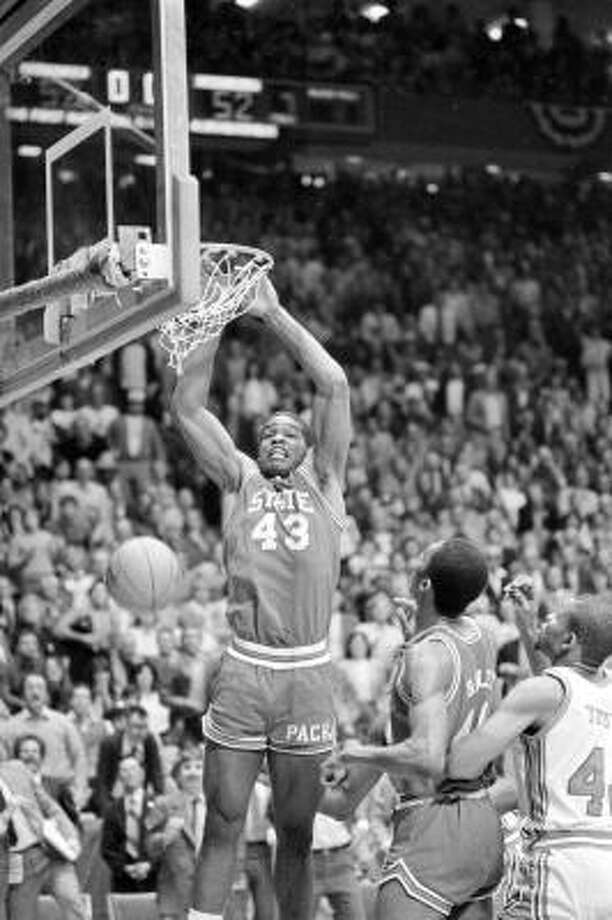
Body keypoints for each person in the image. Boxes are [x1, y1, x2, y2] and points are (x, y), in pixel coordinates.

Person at [172, 277, 351, 920]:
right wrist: (214, 316)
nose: (276, 437)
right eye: (267, 431)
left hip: (305, 672)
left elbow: (333, 384)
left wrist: (272, 315)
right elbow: (188, 409)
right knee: (222, 820)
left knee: (296, 834)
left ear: (309, 448)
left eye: (289, 432)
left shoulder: (326, 483)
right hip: (246, 667)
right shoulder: (239, 477)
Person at [321, 538, 504, 920]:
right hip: (481, 823)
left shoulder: (426, 657)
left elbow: (428, 757)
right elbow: (449, 696)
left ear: (423, 585)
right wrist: (416, 640)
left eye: (419, 561)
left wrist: (354, 751)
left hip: (433, 825)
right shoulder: (481, 636)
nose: (412, 564)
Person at [448, 594, 612, 920]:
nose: (545, 618)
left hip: (557, 863)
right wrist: (527, 628)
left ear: (569, 640)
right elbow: (564, 695)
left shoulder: (539, 693)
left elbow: (460, 764)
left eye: (552, 618)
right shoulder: (602, 691)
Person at [0, 751, 85, 920]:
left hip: (46, 850)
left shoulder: (16, 769)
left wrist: (70, 836)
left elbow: (50, 806)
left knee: (72, 903)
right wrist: (7, 812)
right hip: (12, 860)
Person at [147, 752, 206, 920]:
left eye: (198, 767)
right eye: (187, 768)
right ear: (177, 775)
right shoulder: (162, 804)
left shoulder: (219, 805)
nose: (193, 772)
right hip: (174, 898)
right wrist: (164, 837)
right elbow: (148, 846)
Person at [100, 755, 158, 893]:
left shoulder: (158, 804)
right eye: (124, 770)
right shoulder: (112, 809)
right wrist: (124, 868)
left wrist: (150, 865)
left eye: (133, 769)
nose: (129, 773)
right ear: (119, 777)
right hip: (123, 880)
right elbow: (107, 848)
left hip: (155, 880)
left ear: (142, 774)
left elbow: (167, 843)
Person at [95, 704, 165, 815]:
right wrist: (106, 810)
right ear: (126, 726)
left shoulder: (149, 741)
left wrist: (158, 799)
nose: (141, 732)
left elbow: (156, 773)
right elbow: (102, 781)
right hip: (114, 797)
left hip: (140, 799)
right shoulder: (110, 743)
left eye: (145, 727)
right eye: (137, 727)